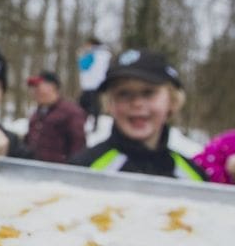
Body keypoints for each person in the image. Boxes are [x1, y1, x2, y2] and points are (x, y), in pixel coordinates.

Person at [69, 49, 206, 181]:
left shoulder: (193, 177)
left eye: (148, 93)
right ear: (110, 104)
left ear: (172, 100)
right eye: (124, 93)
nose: (136, 103)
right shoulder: (84, 170)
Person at [24, 70, 86, 163]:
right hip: (35, 171)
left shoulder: (71, 112)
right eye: (34, 88)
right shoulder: (37, 113)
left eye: (38, 87)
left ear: (52, 87)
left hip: (59, 173)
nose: (35, 91)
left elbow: (78, 147)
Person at [77, 36, 112, 130]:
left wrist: (82, 55)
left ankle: (86, 123)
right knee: (91, 104)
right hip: (96, 83)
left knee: (86, 104)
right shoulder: (104, 54)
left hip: (91, 84)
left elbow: (83, 65)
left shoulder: (93, 54)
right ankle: (90, 123)